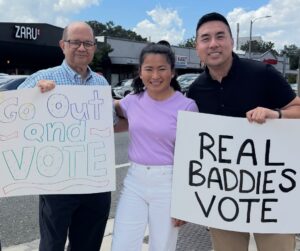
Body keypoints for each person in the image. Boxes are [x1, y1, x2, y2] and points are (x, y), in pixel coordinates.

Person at [187, 12, 300, 251]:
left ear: (232, 41)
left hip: (270, 198)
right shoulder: (196, 90)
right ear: (197, 46)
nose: (213, 43)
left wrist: (276, 115)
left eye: (220, 36)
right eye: (205, 38)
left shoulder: (263, 74)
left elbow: (297, 109)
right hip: (223, 199)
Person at [18, 21, 116, 251]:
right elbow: (14, 116)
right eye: (75, 42)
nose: (82, 48)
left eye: (88, 43)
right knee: (52, 245)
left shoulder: (101, 84)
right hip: (57, 184)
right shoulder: (41, 79)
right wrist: (34, 98)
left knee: (88, 244)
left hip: (95, 182)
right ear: (63, 45)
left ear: (94, 47)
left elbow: (109, 124)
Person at [111, 43, 199, 251]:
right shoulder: (131, 101)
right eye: (148, 69)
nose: (155, 75)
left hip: (168, 184)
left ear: (172, 72)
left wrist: (184, 203)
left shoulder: (187, 106)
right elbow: (100, 105)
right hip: (134, 182)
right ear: (140, 72)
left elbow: (191, 158)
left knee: (162, 246)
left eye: (162, 69)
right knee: (122, 244)